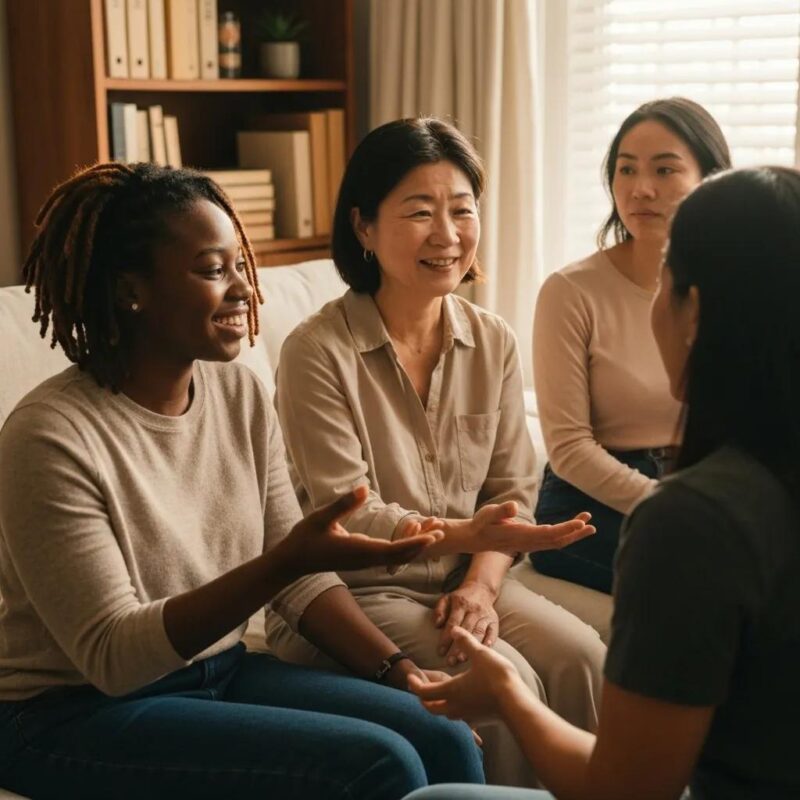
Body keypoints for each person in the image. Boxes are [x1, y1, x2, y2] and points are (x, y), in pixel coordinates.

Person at [0, 162, 490, 800]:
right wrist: (284, 561)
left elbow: (300, 575)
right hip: (68, 712)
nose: (243, 289)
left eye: (240, 265)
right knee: (378, 762)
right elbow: (112, 655)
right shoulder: (49, 437)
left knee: (440, 733)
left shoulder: (237, 391)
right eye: (212, 270)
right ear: (130, 291)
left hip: (216, 672)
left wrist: (399, 672)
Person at [407, 166, 800, 800]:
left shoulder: (694, 523)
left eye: (665, 278)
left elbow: (625, 790)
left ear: (693, 310)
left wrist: (506, 693)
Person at [266, 117, 607, 787]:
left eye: (462, 209)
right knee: (508, 685)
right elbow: (348, 515)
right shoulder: (316, 352)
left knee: (584, 658)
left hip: (460, 582)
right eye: (420, 212)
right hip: (357, 593)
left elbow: (510, 486)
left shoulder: (493, 340)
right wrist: (465, 536)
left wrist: (480, 584)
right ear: (363, 227)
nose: (447, 234)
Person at [531, 97, 731, 593]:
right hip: (592, 505)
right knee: (712, 584)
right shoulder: (571, 291)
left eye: (665, 169)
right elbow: (570, 447)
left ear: (711, 177)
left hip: (701, 484)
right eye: (626, 170)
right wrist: (673, 506)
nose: (641, 189)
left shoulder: (736, 284)